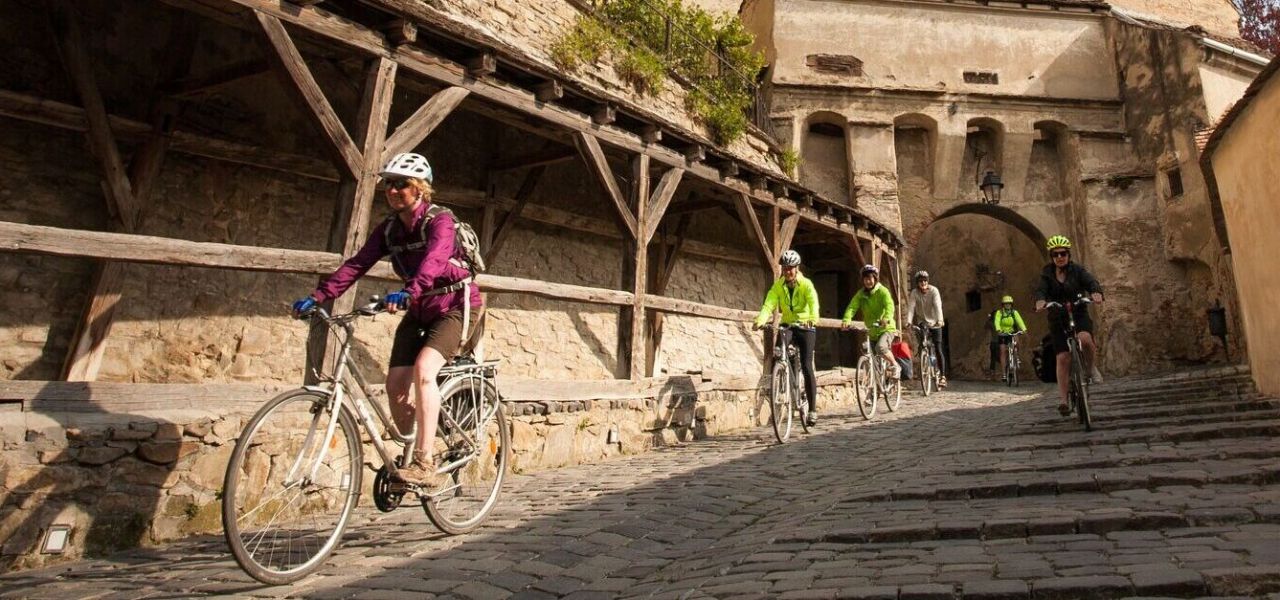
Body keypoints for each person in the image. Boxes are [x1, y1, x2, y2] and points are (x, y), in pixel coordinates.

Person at [291, 152, 484, 488]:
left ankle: (425, 462)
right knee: (395, 387)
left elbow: (436, 260)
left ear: (421, 189)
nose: (393, 190)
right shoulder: (390, 230)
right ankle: (413, 455)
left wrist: (411, 289)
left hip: (455, 304)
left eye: (401, 184)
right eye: (388, 184)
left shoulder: (440, 221)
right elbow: (357, 263)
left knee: (424, 372)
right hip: (419, 306)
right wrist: (321, 295)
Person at [1034, 235, 1104, 416]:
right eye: (1055, 254)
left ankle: (1089, 369)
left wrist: (1096, 292)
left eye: (1063, 253)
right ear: (1052, 257)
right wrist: (1041, 301)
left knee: (1085, 339)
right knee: (1063, 357)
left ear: (1068, 254)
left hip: (1078, 311)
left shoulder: (1077, 271)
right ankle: (1064, 400)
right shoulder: (1047, 274)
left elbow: (1091, 282)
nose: (1059, 257)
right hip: (1058, 316)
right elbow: (1041, 290)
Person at [753, 249, 820, 426]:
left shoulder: (806, 284)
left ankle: (812, 409)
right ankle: (784, 375)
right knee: (778, 353)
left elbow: (813, 302)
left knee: (806, 365)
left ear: (797, 268)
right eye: (785, 268)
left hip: (805, 326)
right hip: (788, 324)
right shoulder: (778, 286)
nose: (787, 271)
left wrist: (813, 319)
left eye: (790, 268)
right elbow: (769, 303)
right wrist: (760, 320)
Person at [842, 264, 899, 381]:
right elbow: (852, 307)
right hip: (872, 330)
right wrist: (846, 319)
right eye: (865, 279)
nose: (868, 281)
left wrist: (887, 318)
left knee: (881, 348)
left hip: (886, 329)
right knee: (872, 359)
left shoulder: (883, 291)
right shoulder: (860, 294)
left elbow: (889, 306)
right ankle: (875, 389)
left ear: (875, 278)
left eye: (870, 278)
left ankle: (895, 365)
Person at [903, 270, 947, 388]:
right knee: (922, 344)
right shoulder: (914, 293)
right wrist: (908, 321)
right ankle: (924, 361)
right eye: (920, 281)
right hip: (923, 322)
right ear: (917, 283)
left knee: (938, 347)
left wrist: (940, 319)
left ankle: (942, 376)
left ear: (928, 281)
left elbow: (938, 306)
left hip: (936, 322)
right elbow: (911, 307)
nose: (923, 283)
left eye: (925, 280)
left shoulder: (934, 291)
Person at [993, 295, 1028, 382]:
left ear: (1012, 304)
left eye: (1009, 304)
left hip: (1012, 331)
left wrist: (1024, 329)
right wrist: (998, 329)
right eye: (1006, 304)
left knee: (1017, 341)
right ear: (1003, 305)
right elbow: (996, 321)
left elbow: (1019, 320)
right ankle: (1004, 374)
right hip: (1002, 333)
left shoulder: (1014, 312)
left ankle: (1016, 356)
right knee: (1003, 352)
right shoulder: (999, 312)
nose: (1008, 305)